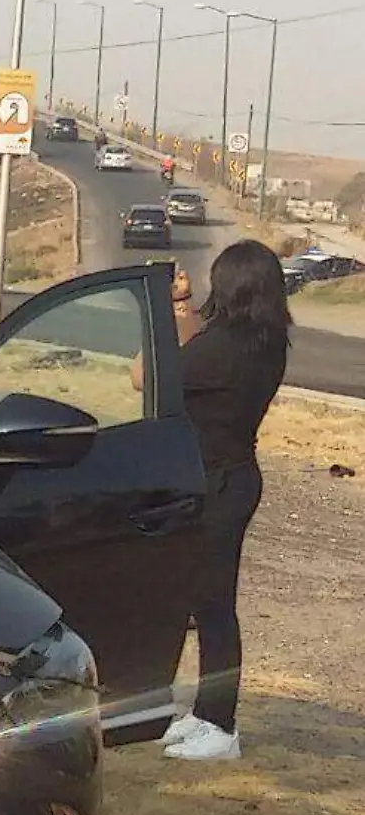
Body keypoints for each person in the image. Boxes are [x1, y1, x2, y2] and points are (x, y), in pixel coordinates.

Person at [130, 241, 292, 761]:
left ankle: (221, 727)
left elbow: (146, 374)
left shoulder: (223, 347)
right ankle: (205, 714)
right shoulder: (264, 342)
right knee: (204, 601)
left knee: (215, 607)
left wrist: (174, 307)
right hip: (231, 478)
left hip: (217, 485)